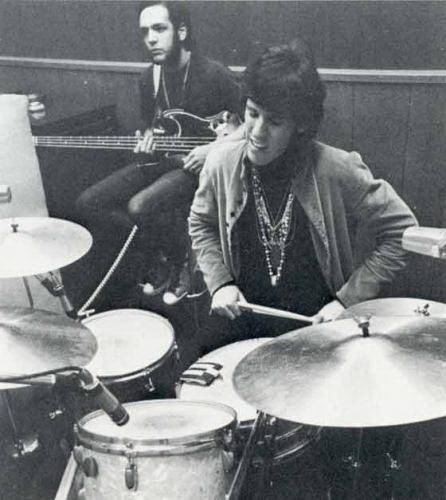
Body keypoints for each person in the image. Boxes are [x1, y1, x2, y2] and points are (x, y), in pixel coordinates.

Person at [189, 38, 418, 353]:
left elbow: (403, 233)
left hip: (316, 324)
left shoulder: (337, 168)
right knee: (189, 372)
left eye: (274, 121)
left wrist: (347, 300)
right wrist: (220, 283)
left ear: (300, 125)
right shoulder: (221, 162)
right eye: (252, 113)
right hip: (242, 317)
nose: (257, 132)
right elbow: (200, 223)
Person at [76, 1, 240, 307]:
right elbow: (154, 126)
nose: (150, 38)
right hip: (164, 160)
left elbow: (247, 129)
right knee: (89, 202)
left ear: (181, 31)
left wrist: (210, 150)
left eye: (159, 29)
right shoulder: (148, 78)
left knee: (139, 206)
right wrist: (148, 138)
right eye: (145, 32)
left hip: (200, 167)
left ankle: (181, 262)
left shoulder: (214, 74)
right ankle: (160, 256)